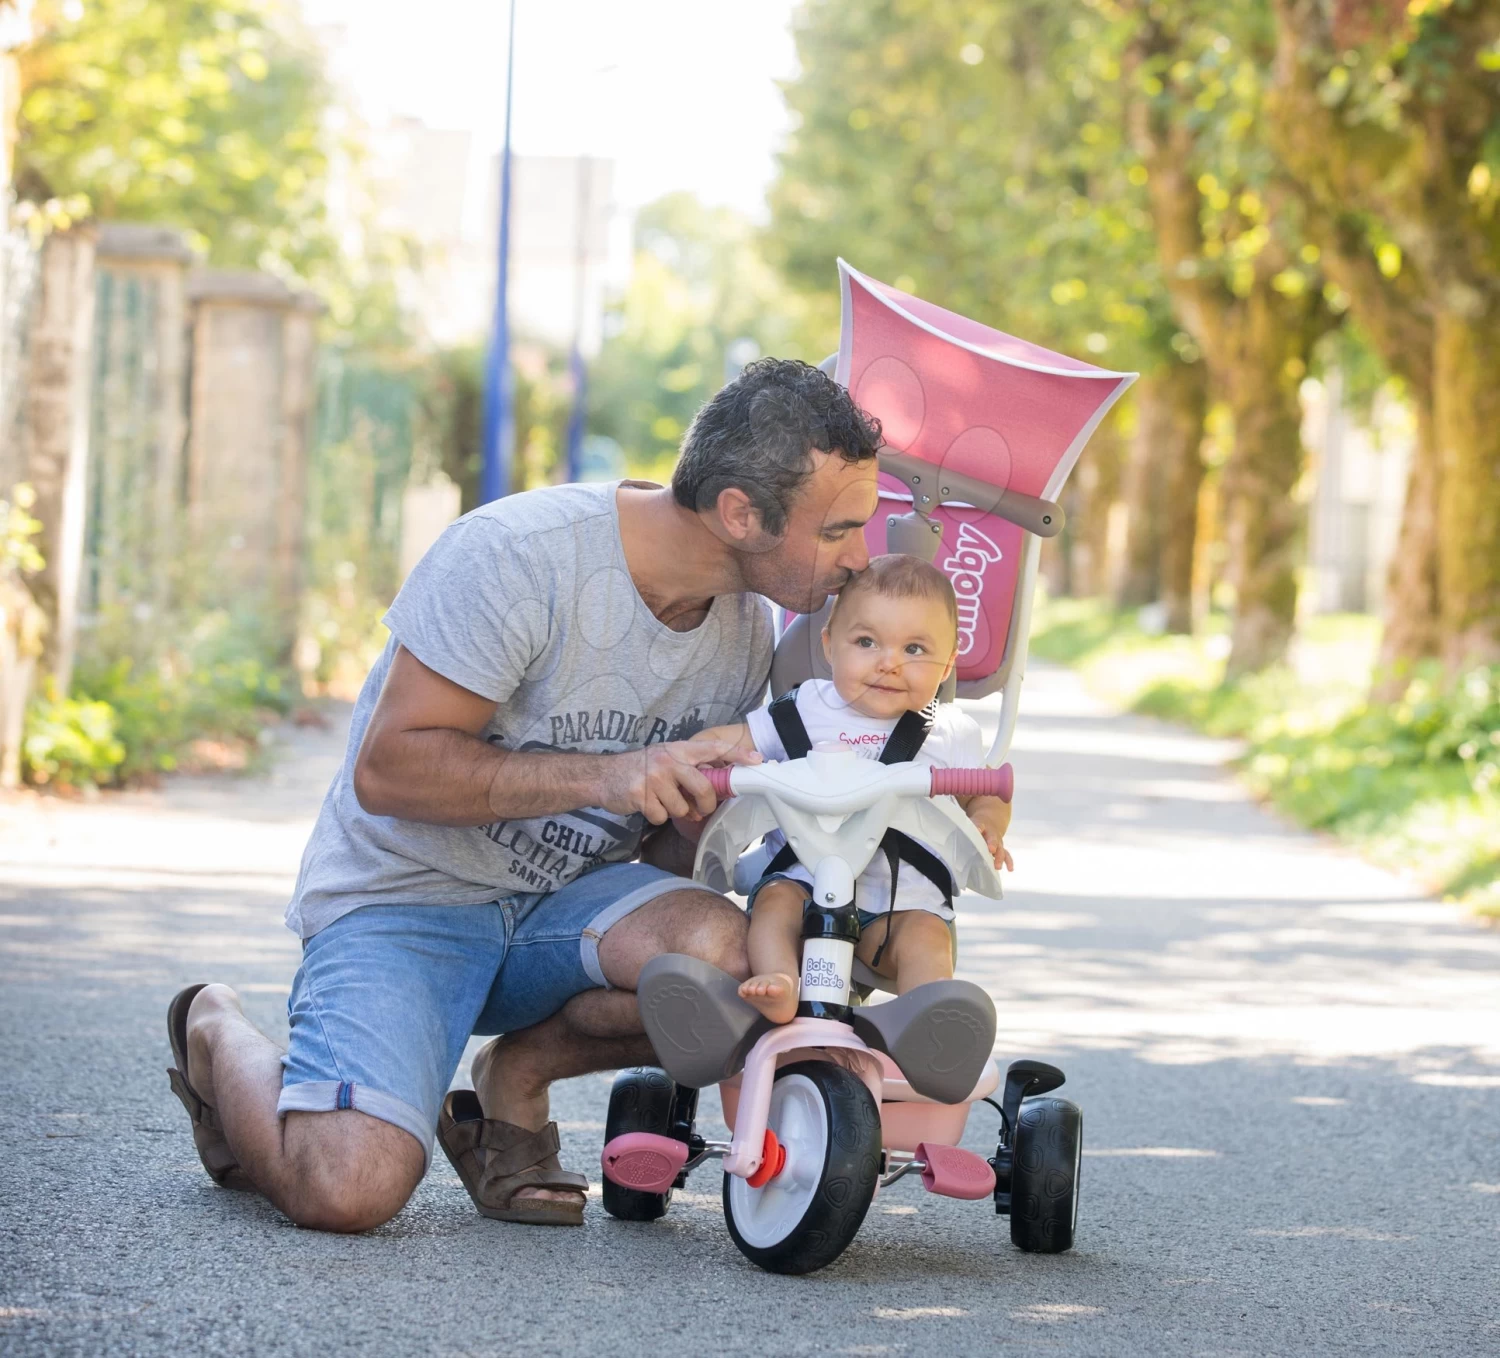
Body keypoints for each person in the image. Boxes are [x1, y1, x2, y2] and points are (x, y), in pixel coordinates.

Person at [163, 358, 883, 1232]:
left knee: (755, 970)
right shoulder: (517, 560)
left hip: (563, 911)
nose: (861, 556)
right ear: (740, 513)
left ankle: (516, 1079)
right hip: (406, 899)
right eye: (841, 529)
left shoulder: (742, 628)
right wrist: (610, 774)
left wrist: (702, 821)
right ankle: (215, 1030)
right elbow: (389, 769)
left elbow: (658, 856)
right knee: (346, 1187)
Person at [693, 555, 1013, 1025]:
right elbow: (736, 743)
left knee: (927, 939)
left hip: (900, 905)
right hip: (804, 887)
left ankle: (929, 1025)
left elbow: (988, 791)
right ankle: (780, 979)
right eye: (866, 642)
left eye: (915, 650)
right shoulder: (802, 708)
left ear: (947, 665)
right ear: (830, 646)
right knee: (773, 906)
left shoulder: (950, 731)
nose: (889, 663)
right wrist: (697, 754)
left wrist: (987, 823)